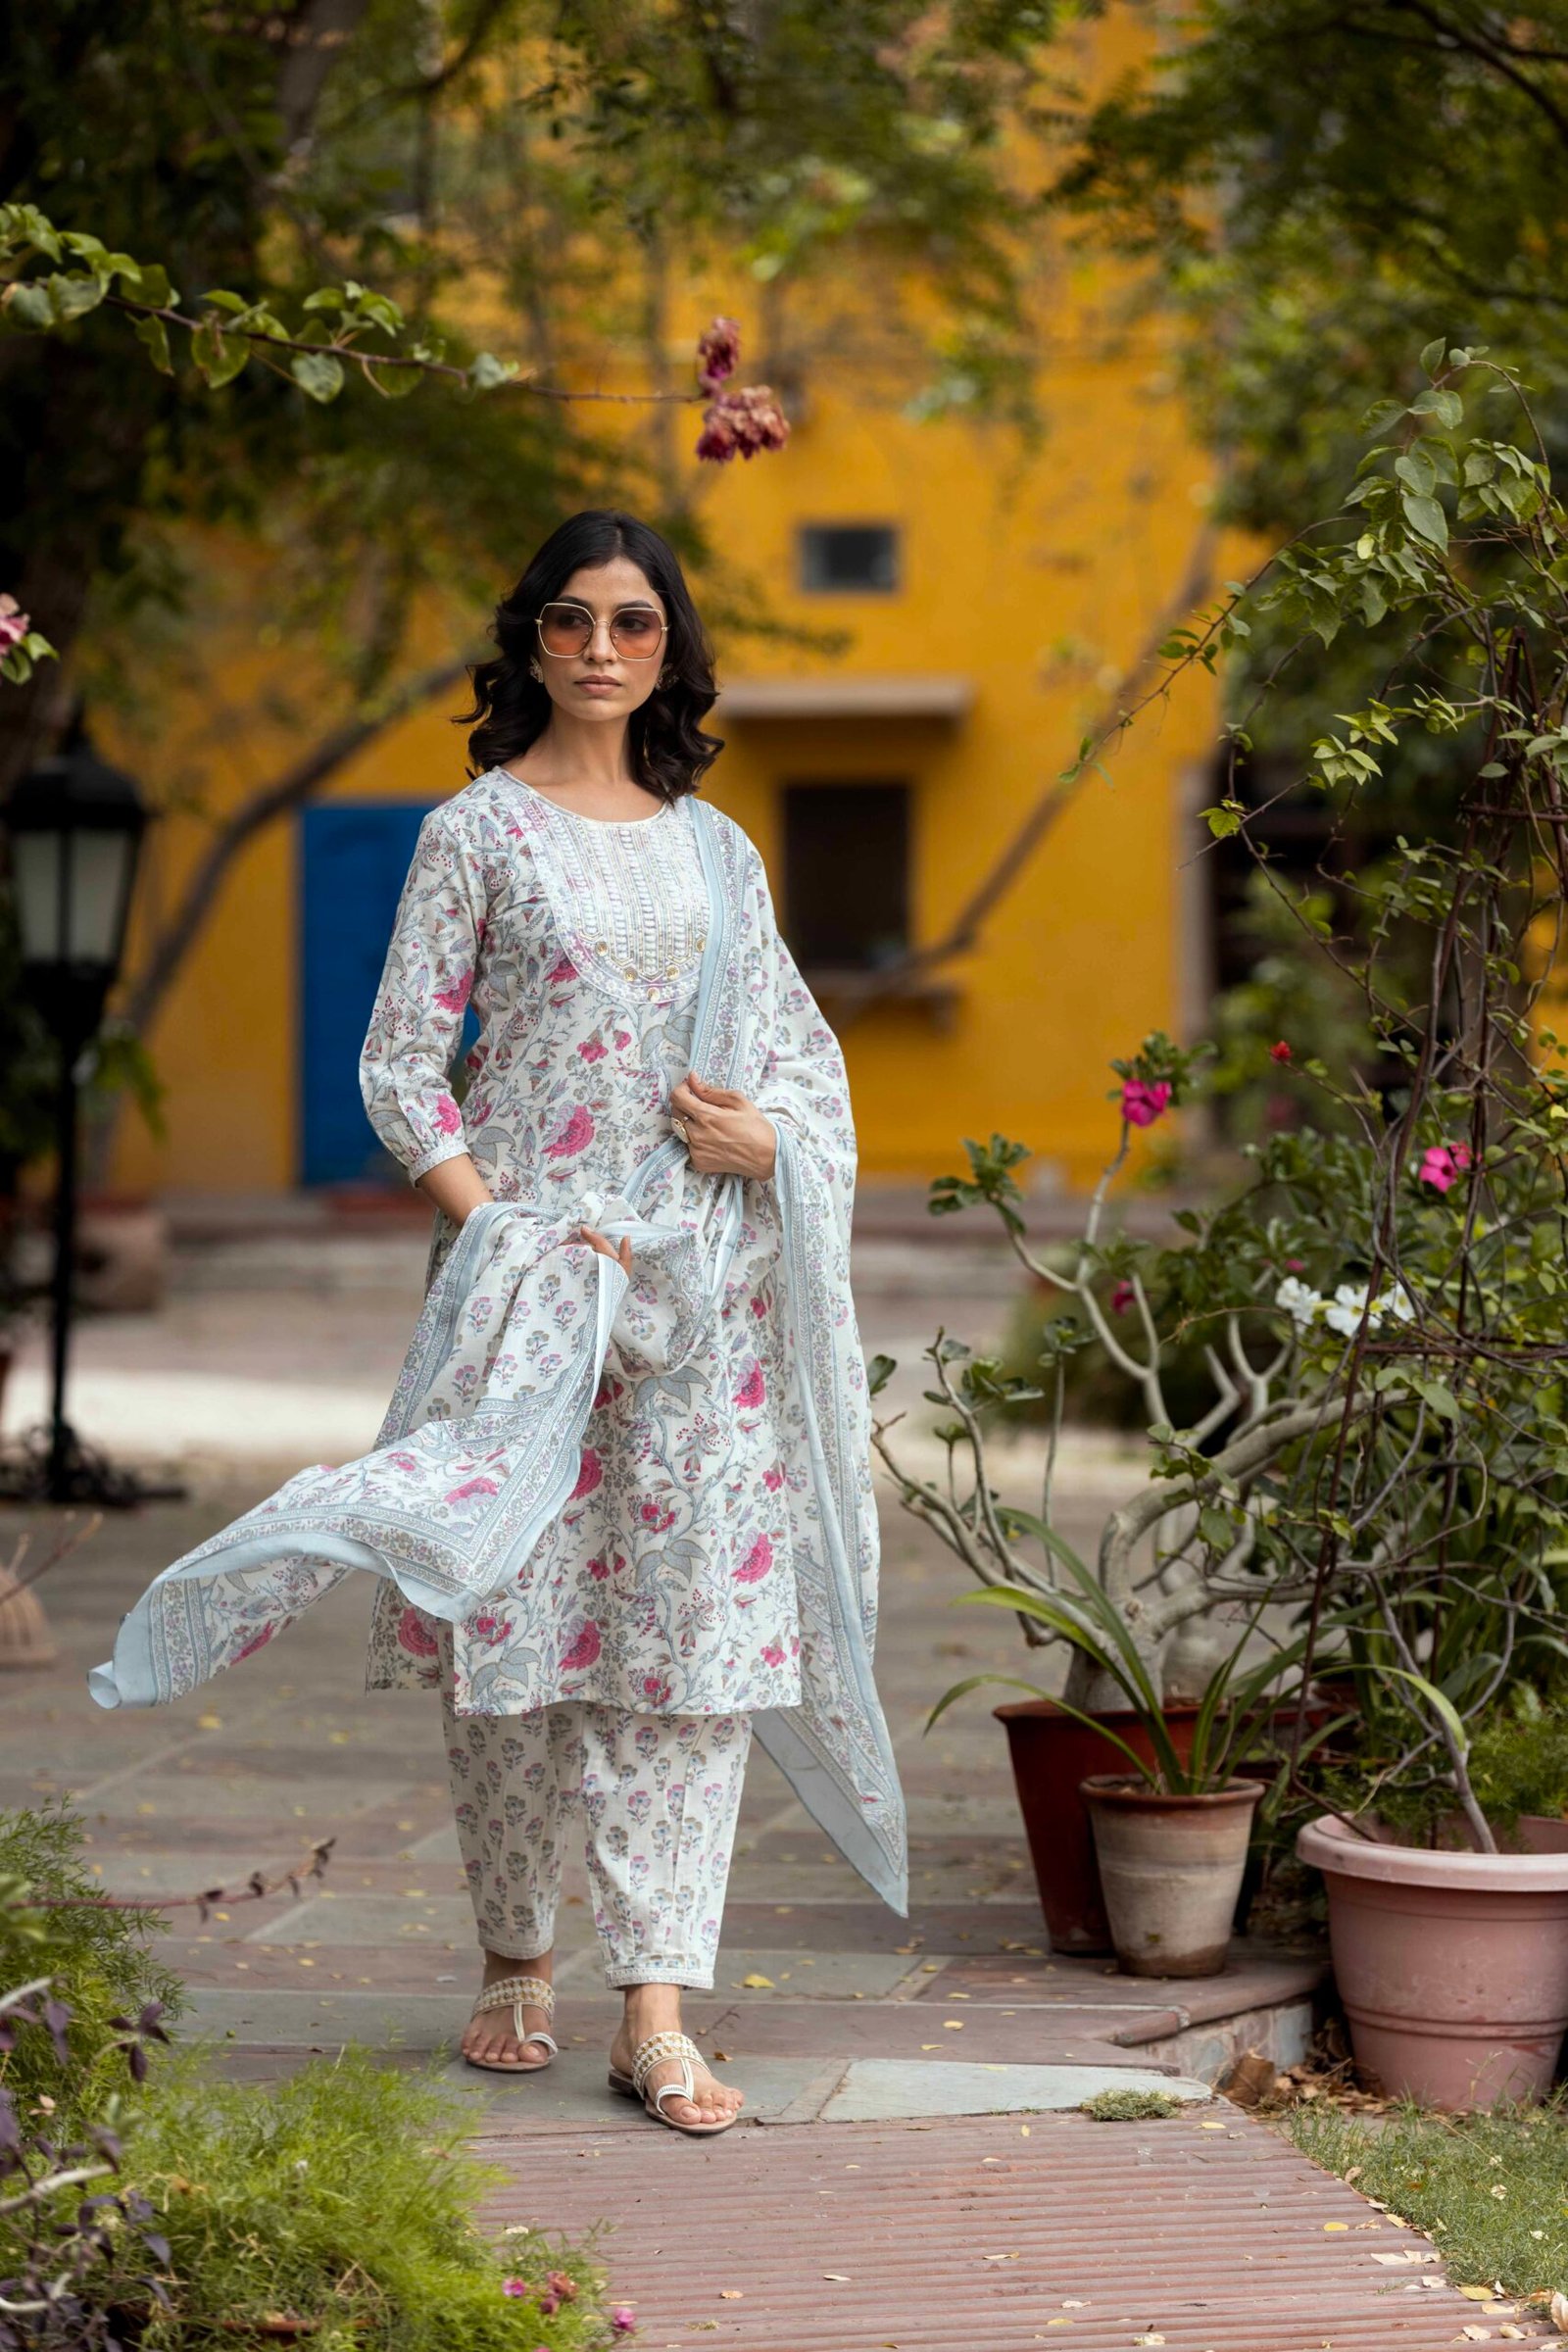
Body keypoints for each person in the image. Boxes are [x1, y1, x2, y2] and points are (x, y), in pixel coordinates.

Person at [89, 508, 906, 2136]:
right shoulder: (476, 831)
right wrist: (507, 1238)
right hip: (526, 1298)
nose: (602, 649)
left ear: (671, 649)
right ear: (530, 641)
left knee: (685, 1640)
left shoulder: (719, 853)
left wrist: (779, 1151)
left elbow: (797, 1063)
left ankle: (656, 2010)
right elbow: (403, 1066)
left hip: (695, 1303)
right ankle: (518, 1955)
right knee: (508, 1615)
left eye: (634, 623)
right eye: (571, 621)